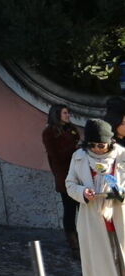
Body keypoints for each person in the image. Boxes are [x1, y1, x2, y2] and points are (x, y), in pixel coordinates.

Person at [66, 119, 125, 276]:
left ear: (110, 142)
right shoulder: (79, 157)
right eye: (92, 145)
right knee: (103, 267)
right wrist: (83, 192)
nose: (98, 149)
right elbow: (69, 184)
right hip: (93, 219)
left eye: (101, 145)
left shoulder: (122, 155)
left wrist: (120, 193)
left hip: (120, 216)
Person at [42, 103, 81, 258]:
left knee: (82, 208)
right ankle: (73, 242)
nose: (67, 115)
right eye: (65, 113)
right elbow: (55, 155)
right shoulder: (49, 132)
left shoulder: (71, 128)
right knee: (70, 209)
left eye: (67, 112)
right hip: (64, 175)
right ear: (57, 114)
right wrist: (74, 149)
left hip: (79, 173)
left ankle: (84, 238)